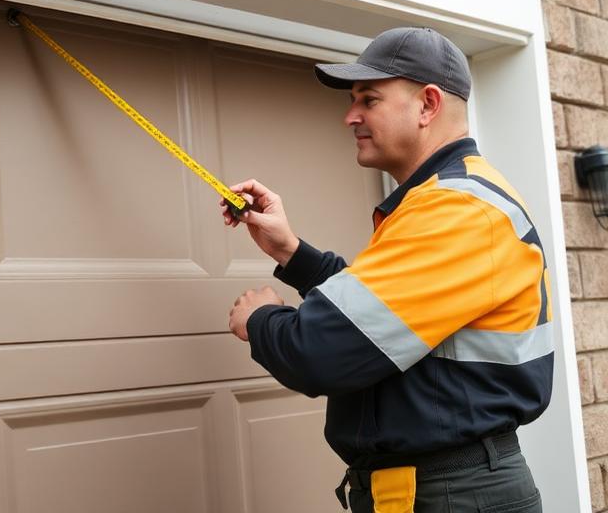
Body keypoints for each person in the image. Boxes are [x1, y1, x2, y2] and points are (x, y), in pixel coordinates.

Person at [220, 27, 552, 512]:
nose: (350, 116)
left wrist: (261, 318)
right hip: (437, 488)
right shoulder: (443, 200)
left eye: (369, 99)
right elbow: (381, 318)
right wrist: (291, 251)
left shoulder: (456, 210)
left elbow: (323, 351)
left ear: (428, 105)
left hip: (452, 495)